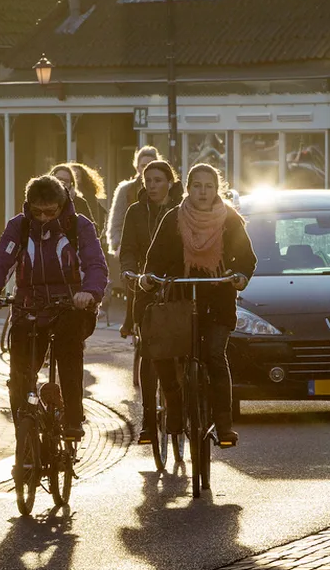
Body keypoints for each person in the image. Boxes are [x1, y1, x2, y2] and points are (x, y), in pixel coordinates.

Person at [0, 174, 109, 440]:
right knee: (19, 374)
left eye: (51, 212)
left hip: (70, 307)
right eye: (37, 212)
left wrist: (89, 293)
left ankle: (73, 417)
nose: (44, 218)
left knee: (69, 351)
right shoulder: (20, 227)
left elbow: (95, 263)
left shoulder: (78, 226)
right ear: (29, 207)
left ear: (62, 205)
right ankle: (23, 434)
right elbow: (1, 258)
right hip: (29, 307)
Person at [140, 163, 257, 447]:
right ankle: (176, 407)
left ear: (217, 190)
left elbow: (246, 259)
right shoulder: (173, 218)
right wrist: (150, 278)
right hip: (179, 300)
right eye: (197, 186)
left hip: (218, 301)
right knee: (164, 354)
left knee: (215, 356)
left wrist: (240, 276)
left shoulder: (230, 219)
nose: (203, 192)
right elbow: (154, 259)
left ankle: (225, 425)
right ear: (188, 188)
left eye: (209, 186)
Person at [119, 159, 182, 444]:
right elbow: (128, 249)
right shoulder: (135, 212)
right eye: (149, 180)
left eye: (158, 180)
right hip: (146, 286)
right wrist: (131, 273)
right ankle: (148, 418)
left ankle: (185, 399)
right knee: (148, 350)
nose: (153, 185)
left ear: (170, 181)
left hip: (179, 286)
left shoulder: (183, 210)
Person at [107, 145, 162, 257]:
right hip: (132, 249)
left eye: (151, 165)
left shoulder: (166, 188)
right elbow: (116, 224)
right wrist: (119, 246)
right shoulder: (126, 190)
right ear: (137, 168)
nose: (147, 169)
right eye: (143, 165)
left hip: (160, 249)